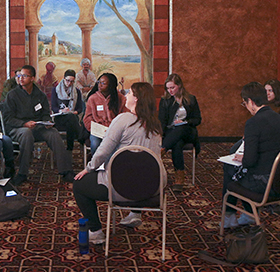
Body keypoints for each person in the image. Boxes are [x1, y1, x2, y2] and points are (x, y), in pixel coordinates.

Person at [73, 82, 164, 244]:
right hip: (151, 188)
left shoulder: (123, 120)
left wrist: (88, 169)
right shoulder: (155, 125)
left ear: (136, 99)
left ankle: (96, 231)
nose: (126, 95)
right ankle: (135, 213)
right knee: (136, 169)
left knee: (79, 184)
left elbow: (103, 151)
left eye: (129, 93)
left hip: (121, 188)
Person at [222, 82, 280, 228]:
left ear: (251, 102)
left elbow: (249, 161)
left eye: (244, 103)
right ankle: (248, 214)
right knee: (236, 169)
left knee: (229, 167)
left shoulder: (253, 123)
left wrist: (244, 157)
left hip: (264, 183)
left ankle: (229, 217)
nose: (246, 107)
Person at [0, 64, 75, 186]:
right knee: (26, 133)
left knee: (54, 134)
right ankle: (22, 173)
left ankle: (66, 171)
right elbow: (8, 118)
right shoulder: (12, 95)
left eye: (24, 75)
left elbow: (45, 113)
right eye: (19, 75)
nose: (21, 78)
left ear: (32, 78)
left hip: (37, 127)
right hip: (17, 128)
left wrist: (47, 122)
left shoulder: (40, 95)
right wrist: (24, 123)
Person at [158, 73, 201, 191]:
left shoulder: (190, 99)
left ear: (179, 86)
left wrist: (185, 121)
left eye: (172, 87)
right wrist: (161, 134)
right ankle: (179, 178)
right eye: (168, 88)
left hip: (188, 131)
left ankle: (162, 150)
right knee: (177, 143)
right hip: (172, 134)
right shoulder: (165, 100)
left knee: (181, 128)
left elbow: (198, 119)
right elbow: (162, 120)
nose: (170, 90)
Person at [83, 73, 127, 155]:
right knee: (95, 144)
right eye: (99, 82)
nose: (100, 85)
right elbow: (87, 118)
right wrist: (94, 128)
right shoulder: (92, 98)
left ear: (110, 85)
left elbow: (125, 116)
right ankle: (98, 165)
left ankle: (112, 165)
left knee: (117, 146)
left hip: (115, 131)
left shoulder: (120, 98)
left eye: (103, 83)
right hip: (98, 131)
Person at [51, 69, 84, 150]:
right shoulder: (56, 90)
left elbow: (80, 108)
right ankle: (80, 138)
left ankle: (70, 148)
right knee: (71, 119)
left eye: (72, 81)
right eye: (68, 80)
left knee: (71, 119)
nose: (69, 83)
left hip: (72, 116)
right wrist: (61, 111)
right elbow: (54, 107)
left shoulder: (77, 91)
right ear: (63, 79)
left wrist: (75, 112)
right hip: (60, 117)